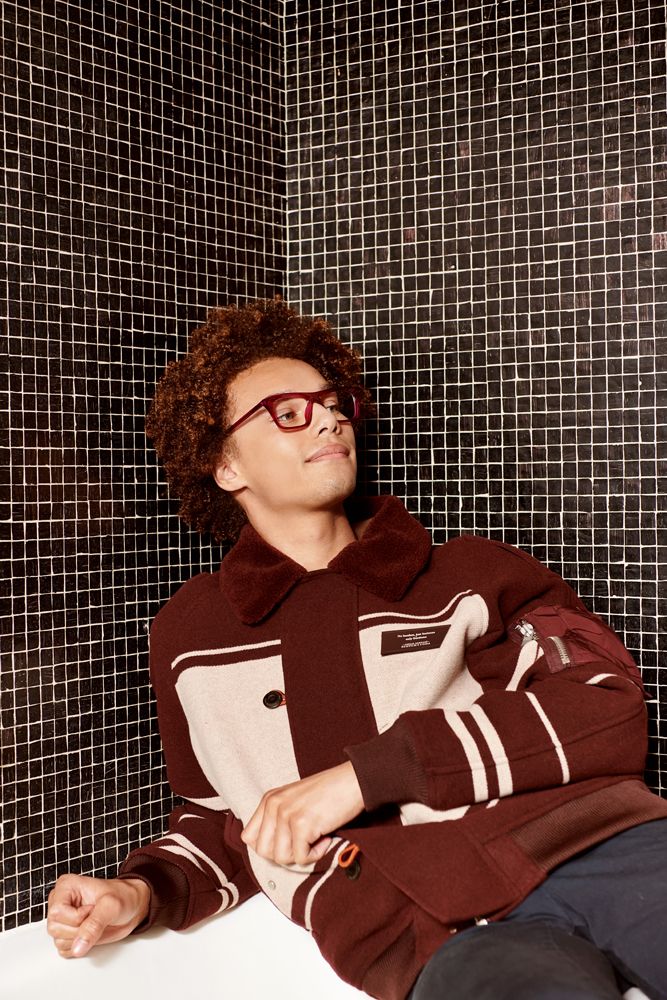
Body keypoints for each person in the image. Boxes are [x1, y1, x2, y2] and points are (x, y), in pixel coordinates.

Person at [47, 298, 667, 1000]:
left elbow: (605, 709)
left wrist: (366, 776)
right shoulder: (189, 636)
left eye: (332, 402)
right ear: (225, 465)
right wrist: (141, 893)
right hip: (426, 933)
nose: (328, 419)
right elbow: (230, 819)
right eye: (287, 412)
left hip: (600, 851)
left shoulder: (473, 574)